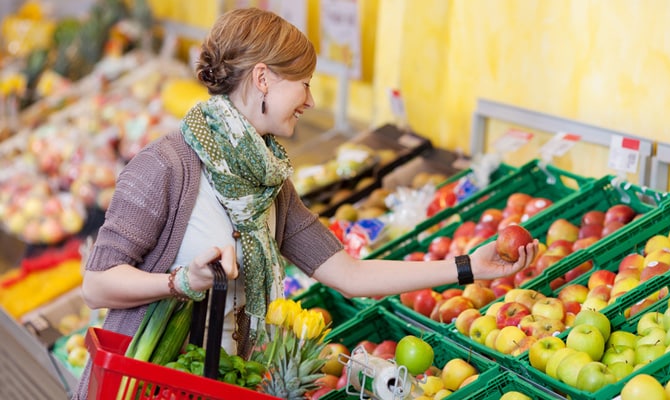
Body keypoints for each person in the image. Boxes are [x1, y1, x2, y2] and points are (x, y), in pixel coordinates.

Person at [72, 7, 538, 399]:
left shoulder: (271, 183)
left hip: (229, 384)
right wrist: (181, 281)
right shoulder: (166, 166)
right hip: (147, 385)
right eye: (305, 84)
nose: (311, 100)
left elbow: (350, 275)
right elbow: (97, 285)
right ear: (263, 79)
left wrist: (468, 269)